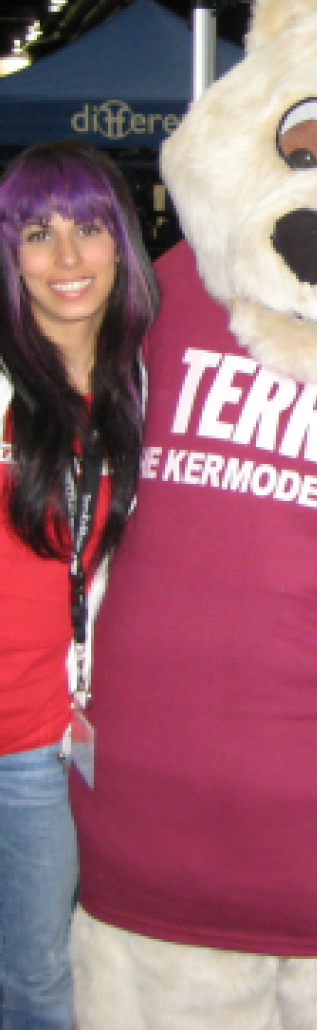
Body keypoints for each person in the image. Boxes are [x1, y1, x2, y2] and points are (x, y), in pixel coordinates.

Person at [0, 140, 158, 1030]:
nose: (67, 259)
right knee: (37, 981)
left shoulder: (144, 384)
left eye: (89, 229)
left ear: (121, 242)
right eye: (38, 234)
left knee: (52, 973)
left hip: (66, 741)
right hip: (18, 734)